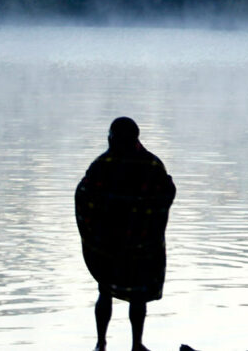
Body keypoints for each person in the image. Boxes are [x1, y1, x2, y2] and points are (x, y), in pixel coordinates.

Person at [76, 117, 176, 351]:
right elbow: (166, 192)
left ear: (113, 137)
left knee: (105, 290)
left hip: (109, 244)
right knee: (138, 296)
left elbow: (84, 195)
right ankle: (136, 344)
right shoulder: (151, 164)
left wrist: (96, 232)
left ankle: (101, 343)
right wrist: (147, 223)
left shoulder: (102, 164)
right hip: (142, 243)